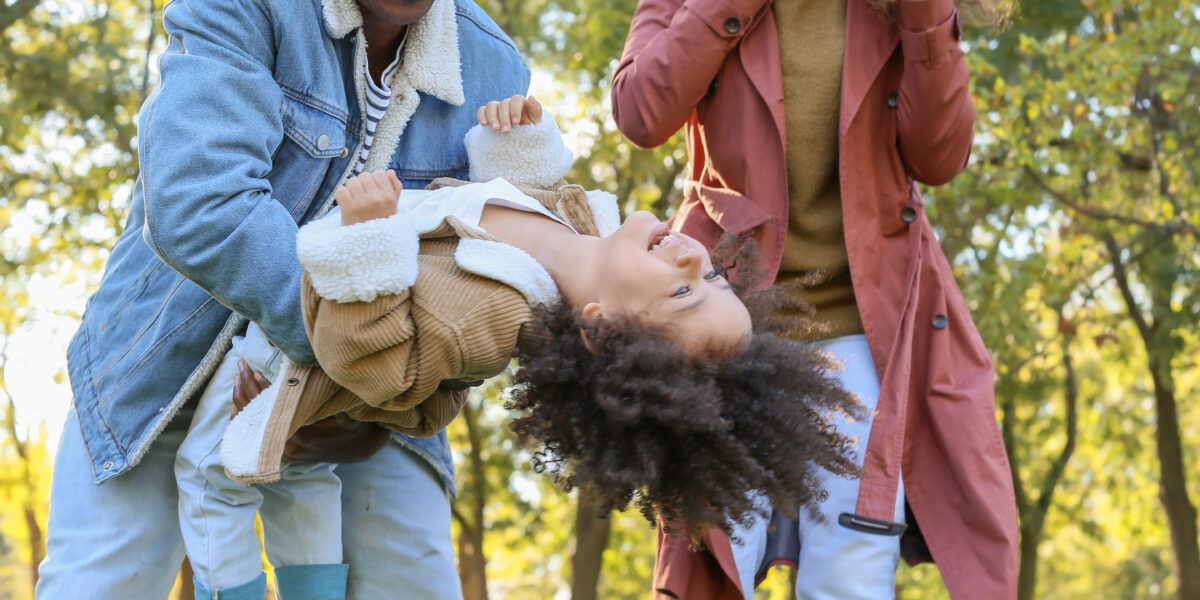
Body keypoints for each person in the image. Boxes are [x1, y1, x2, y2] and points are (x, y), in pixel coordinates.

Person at [37, 0, 529, 598]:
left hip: (377, 396)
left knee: (412, 581)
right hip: (169, 351)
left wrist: (372, 403)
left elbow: (483, 276)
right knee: (100, 583)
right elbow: (199, 202)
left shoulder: (494, 66)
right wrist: (350, 360)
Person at [225, 96, 865, 541]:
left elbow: (376, 363)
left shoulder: (487, 317)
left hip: (271, 364)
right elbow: (507, 202)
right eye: (713, 277)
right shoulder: (590, 227)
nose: (696, 256)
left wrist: (368, 241)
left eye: (681, 294)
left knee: (219, 500)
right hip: (297, 284)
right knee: (294, 512)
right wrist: (517, 138)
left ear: (599, 327)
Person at [611, 0, 1019, 598]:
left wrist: (927, 14)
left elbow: (940, 157)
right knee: (714, 543)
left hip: (862, 323)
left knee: (853, 564)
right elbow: (641, 113)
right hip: (727, 316)